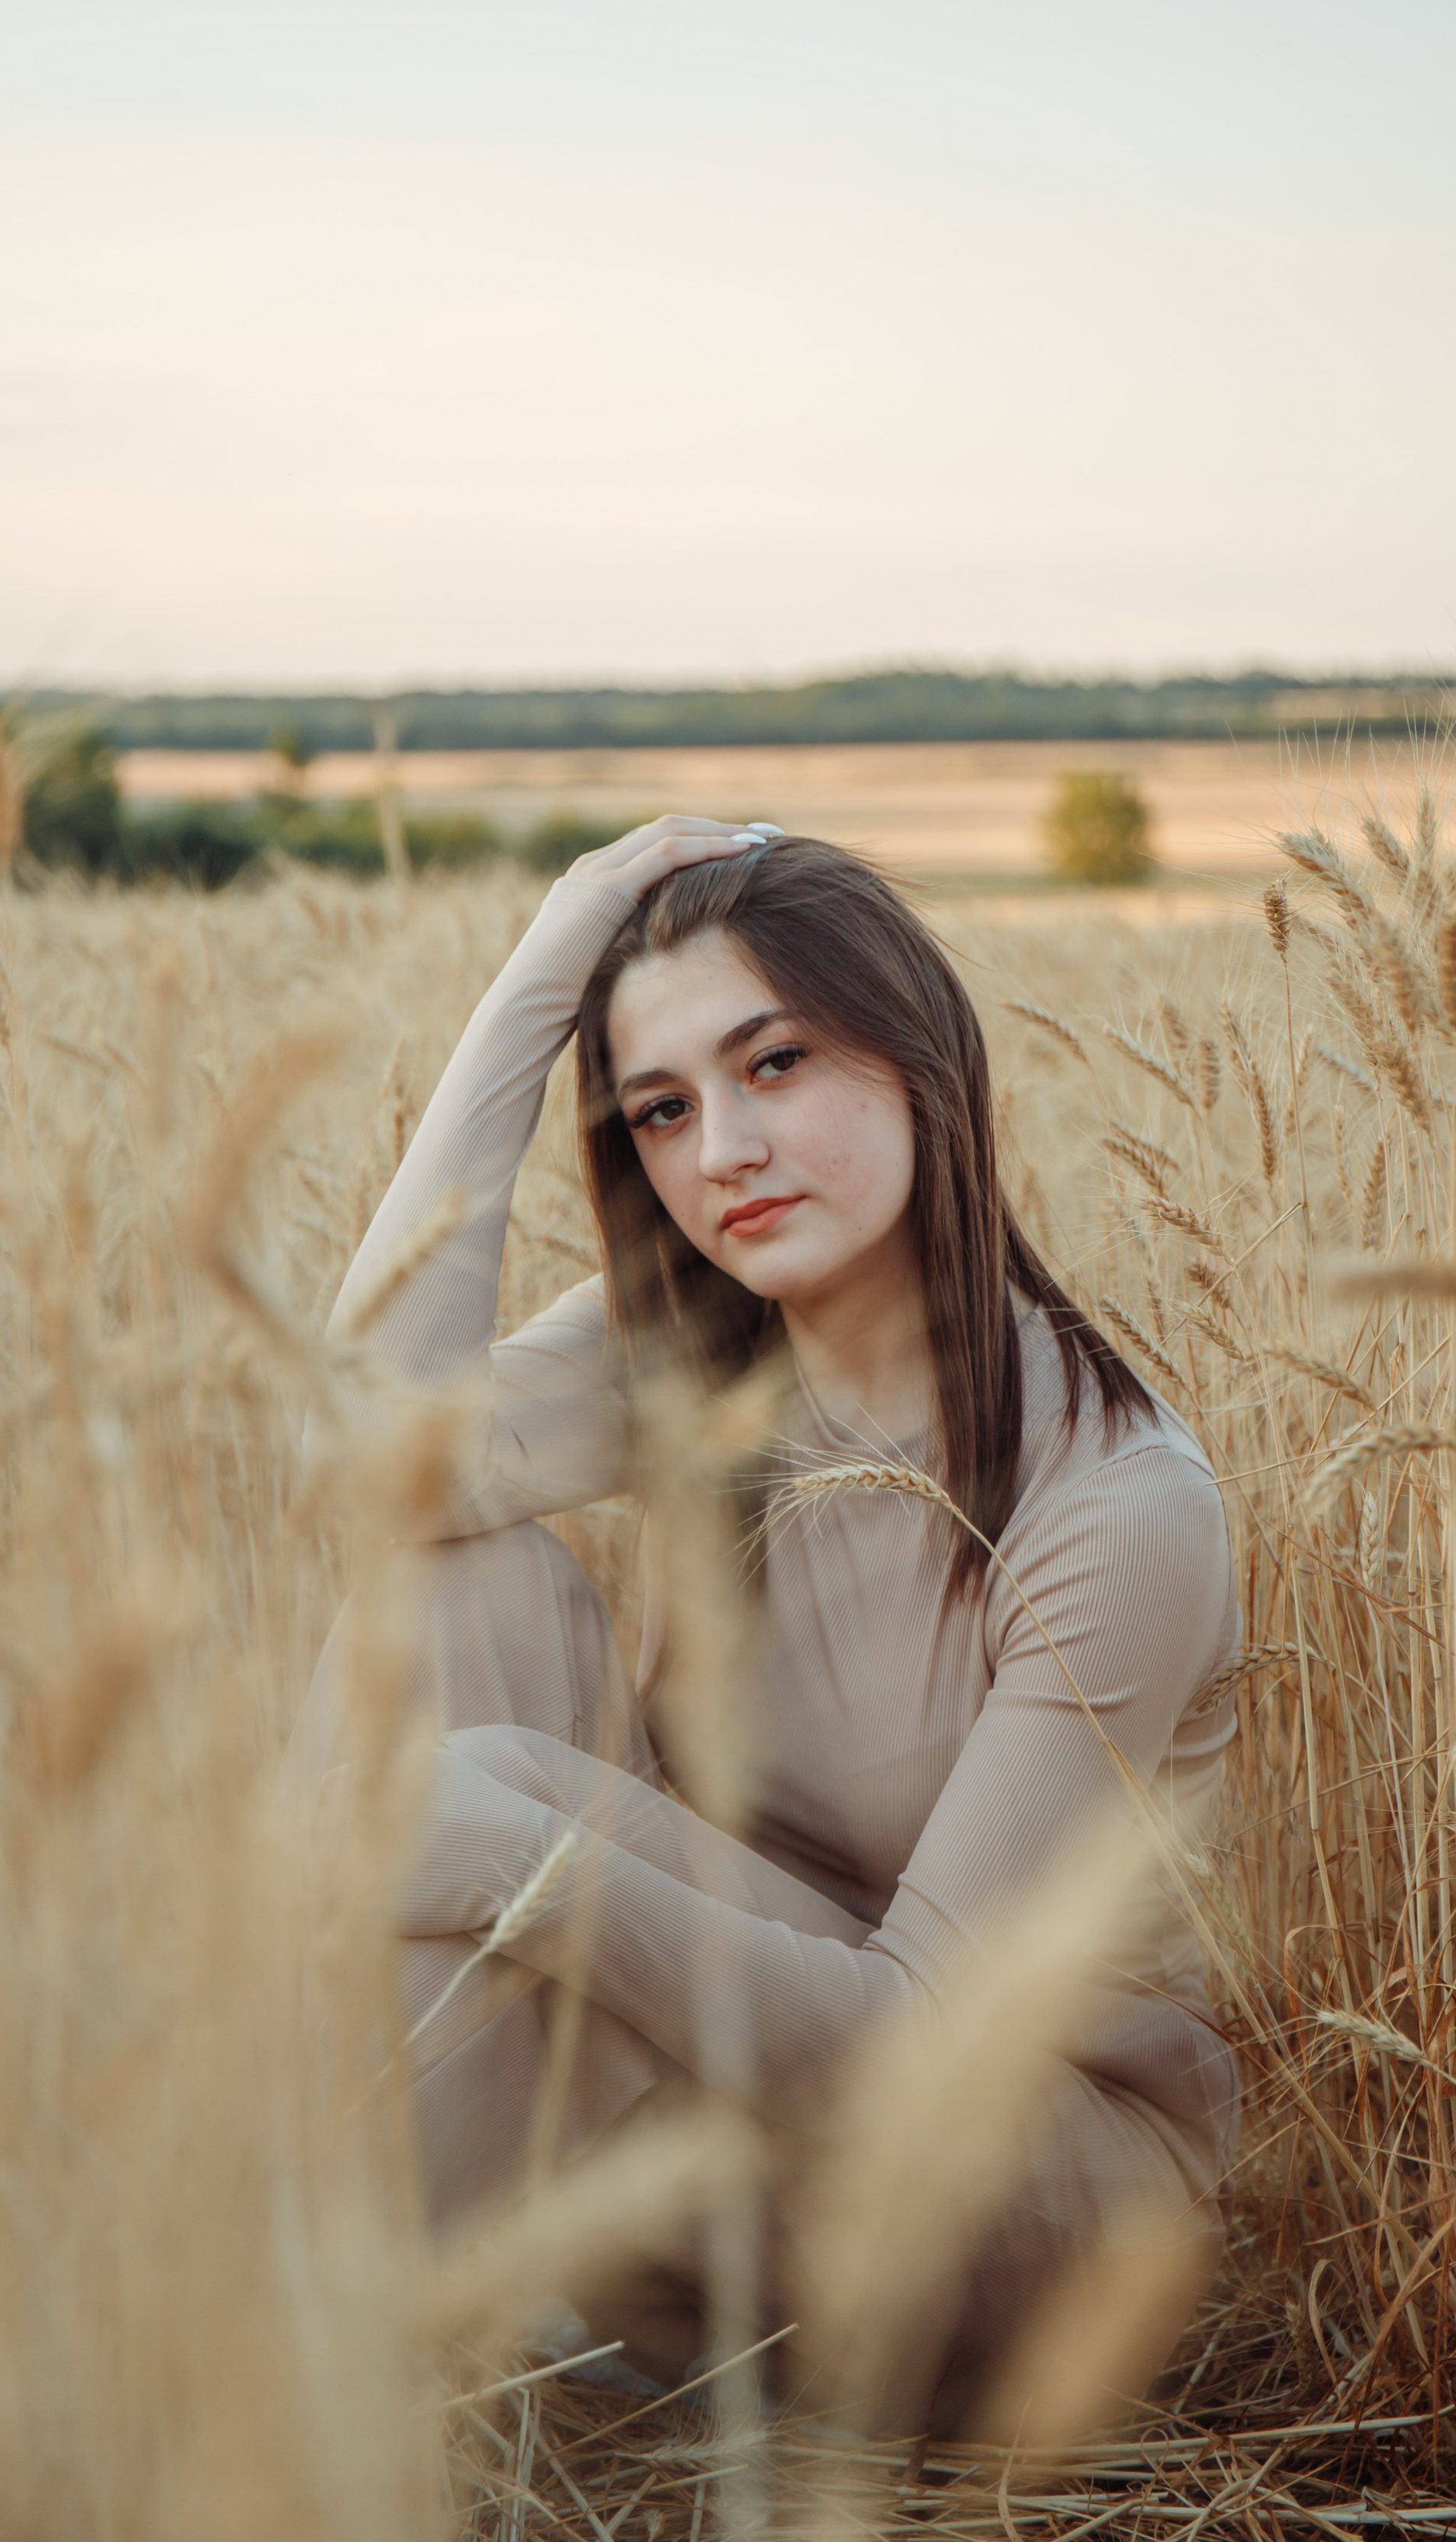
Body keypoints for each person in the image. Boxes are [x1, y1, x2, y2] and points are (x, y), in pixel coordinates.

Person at [290, 819, 1239, 2427]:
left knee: (477, 1796)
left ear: (919, 1052)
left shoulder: (1116, 1503)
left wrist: (512, 1857)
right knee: (450, 1573)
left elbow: (926, 2058)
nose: (721, 1146)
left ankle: (342, 2361)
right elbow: (364, 1458)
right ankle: (380, 2346)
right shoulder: (695, 1351)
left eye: (775, 1061)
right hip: (718, 2055)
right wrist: (543, 968)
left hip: (1022, 2188)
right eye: (661, 1107)